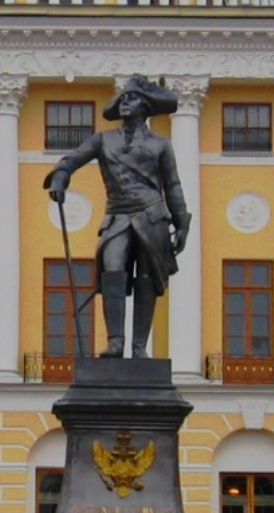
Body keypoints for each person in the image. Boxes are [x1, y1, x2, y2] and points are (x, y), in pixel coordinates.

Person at [42, 75, 191, 359]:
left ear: (145, 107)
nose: (124, 103)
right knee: (113, 269)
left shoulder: (161, 145)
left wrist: (182, 221)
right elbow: (72, 159)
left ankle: (138, 347)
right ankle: (116, 342)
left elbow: (172, 185)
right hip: (118, 215)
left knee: (146, 277)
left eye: (131, 98)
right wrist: (61, 177)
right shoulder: (103, 140)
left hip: (151, 215)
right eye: (122, 99)